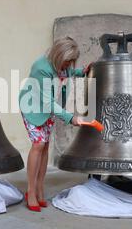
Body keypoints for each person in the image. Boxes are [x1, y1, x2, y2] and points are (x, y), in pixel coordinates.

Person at [19, 37, 90, 212]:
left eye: (70, 62)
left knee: (45, 146)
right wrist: (71, 118)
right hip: (32, 108)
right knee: (38, 144)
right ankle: (31, 191)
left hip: (47, 110)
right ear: (59, 56)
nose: (68, 66)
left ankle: (39, 189)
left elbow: (67, 73)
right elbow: (48, 103)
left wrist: (81, 71)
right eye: (67, 62)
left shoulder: (59, 65)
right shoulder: (41, 68)